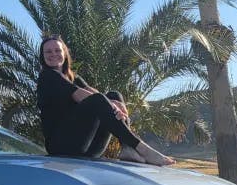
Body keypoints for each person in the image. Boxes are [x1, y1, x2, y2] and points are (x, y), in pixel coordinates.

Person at [36, 35, 175, 166]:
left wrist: (114, 104)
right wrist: (109, 105)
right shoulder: (47, 77)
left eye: (57, 50)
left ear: (64, 53)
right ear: (42, 56)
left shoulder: (72, 77)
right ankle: (143, 149)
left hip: (87, 148)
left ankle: (127, 148)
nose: (53, 54)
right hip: (61, 147)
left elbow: (95, 93)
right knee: (98, 100)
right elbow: (79, 95)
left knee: (113, 95)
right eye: (48, 52)